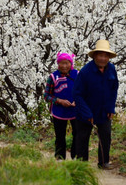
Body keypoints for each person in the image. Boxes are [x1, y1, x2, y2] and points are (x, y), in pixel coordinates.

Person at [72, 39, 119, 169]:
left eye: (106, 56)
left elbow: (114, 88)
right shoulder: (85, 72)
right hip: (85, 111)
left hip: (104, 110)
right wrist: (87, 113)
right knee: (82, 138)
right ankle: (81, 165)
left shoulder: (111, 69)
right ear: (95, 56)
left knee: (105, 136)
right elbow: (77, 94)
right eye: (100, 55)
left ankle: (104, 162)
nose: (103, 58)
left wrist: (111, 107)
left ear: (108, 57)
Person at [44, 52, 78, 160]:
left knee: (77, 135)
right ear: (58, 64)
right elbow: (47, 96)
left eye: (66, 63)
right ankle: (59, 158)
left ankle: (76, 157)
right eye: (61, 63)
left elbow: (85, 91)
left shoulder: (77, 74)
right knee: (60, 136)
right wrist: (59, 100)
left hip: (75, 111)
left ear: (70, 63)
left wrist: (78, 101)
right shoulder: (53, 77)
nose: (64, 66)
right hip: (59, 111)